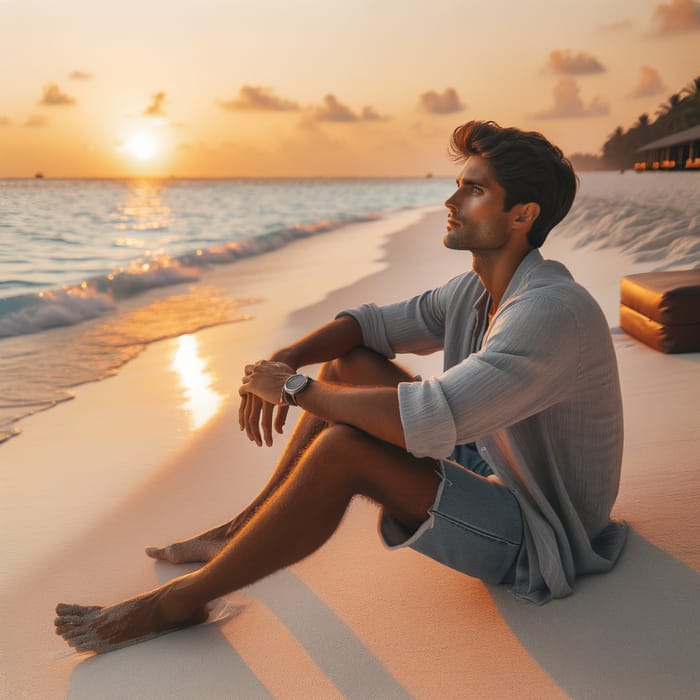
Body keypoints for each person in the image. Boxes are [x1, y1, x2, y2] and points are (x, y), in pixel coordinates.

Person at [55, 121, 627, 654]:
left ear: (523, 214)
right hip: (491, 462)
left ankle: (177, 604)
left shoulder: (549, 311)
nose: (450, 202)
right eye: (457, 186)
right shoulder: (474, 291)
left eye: (473, 191)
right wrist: (288, 357)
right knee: (347, 363)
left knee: (343, 449)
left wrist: (294, 388)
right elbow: (369, 326)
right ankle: (237, 531)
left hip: (540, 530)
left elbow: (431, 415)